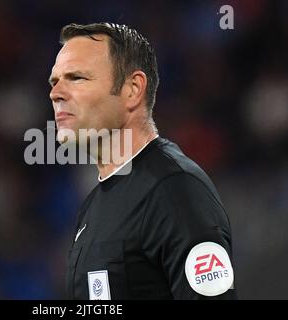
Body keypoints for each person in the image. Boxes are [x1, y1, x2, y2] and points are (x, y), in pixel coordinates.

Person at [48, 22, 237, 299]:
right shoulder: (93, 205)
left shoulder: (175, 190)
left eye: (76, 78)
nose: (56, 93)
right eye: (54, 81)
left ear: (133, 89)